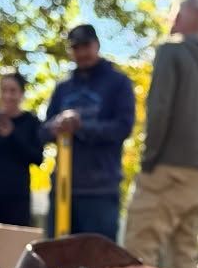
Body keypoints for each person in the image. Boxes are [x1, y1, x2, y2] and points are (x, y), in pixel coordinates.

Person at [123, 0, 198, 268]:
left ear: (178, 18)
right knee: (184, 255)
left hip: (169, 165)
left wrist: (149, 158)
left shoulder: (171, 51)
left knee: (138, 248)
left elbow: (159, 108)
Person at [44, 23, 135, 240]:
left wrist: (81, 126)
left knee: (98, 262)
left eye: (86, 46)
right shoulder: (63, 88)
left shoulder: (118, 83)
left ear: (97, 45)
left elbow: (123, 127)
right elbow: (43, 131)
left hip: (100, 191)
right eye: (76, 48)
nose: (82, 53)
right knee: (55, 260)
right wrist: (56, 126)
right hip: (64, 189)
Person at [0, 70, 44, 226]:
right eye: (4, 90)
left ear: (22, 94)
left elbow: (37, 158)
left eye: (13, 91)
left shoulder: (31, 123)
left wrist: (12, 135)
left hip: (17, 198)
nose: (8, 96)